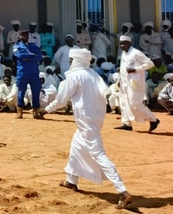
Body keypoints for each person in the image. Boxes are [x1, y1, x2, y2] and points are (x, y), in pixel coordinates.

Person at [42, 48, 133, 210]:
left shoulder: (75, 76)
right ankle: (71, 181)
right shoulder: (93, 74)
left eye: (70, 61)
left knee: (98, 154)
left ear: (76, 61)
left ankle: (122, 191)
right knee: (76, 145)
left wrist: (45, 110)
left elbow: (61, 101)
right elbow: (104, 92)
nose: (69, 63)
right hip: (95, 119)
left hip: (86, 121)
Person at [116, 35, 161, 132]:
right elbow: (124, 68)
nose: (122, 45)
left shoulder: (136, 53)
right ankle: (126, 123)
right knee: (124, 103)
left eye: (125, 43)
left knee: (134, 104)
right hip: (124, 83)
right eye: (121, 44)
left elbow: (150, 63)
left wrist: (135, 69)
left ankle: (153, 120)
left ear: (130, 43)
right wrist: (119, 80)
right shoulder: (124, 53)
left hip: (134, 83)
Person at [14, 30, 44, 118]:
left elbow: (39, 56)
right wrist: (32, 55)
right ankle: (20, 111)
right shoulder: (17, 46)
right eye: (23, 35)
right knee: (21, 91)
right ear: (20, 36)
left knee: (36, 91)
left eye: (26, 35)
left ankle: (36, 111)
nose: (25, 37)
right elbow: (19, 56)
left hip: (34, 72)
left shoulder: (33, 46)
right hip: (23, 72)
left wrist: (28, 57)